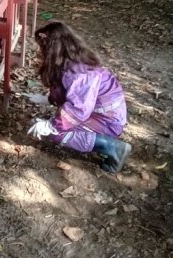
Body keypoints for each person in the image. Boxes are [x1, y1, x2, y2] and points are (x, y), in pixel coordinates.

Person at [25, 21, 131, 173]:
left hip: (107, 121)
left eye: (41, 47)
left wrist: (51, 125)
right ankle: (101, 141)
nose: (39, 51)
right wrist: (47, 99)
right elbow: (68, 92)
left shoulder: (79, 73)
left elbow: (78, 109)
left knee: (57, 133)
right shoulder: (70, 60)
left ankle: (113, 148)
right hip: (99, 113)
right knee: (57, 126)